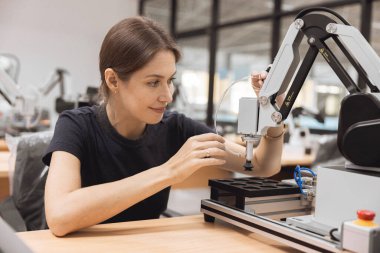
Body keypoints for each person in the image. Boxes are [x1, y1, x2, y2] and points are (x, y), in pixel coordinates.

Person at [43, 16, 284, 237]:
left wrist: (274, 117)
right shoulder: (75, 125)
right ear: (113, 80)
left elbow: (263, 165)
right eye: (153, 83)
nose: (167, 95)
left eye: (170, 81)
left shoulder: (175, 127)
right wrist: (170, 171)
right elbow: (59, 216)